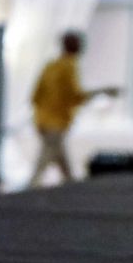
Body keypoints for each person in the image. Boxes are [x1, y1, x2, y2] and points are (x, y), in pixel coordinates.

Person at [29, 31, 119, 187]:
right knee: (44, 161)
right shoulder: (69, 66)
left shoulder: (50, 66)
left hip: (43, 121)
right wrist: (104, 91)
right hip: (56, 123)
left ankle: (71, 185)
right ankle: (31, 188)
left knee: (60, 159)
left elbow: (35, 96)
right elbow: (76, 96)